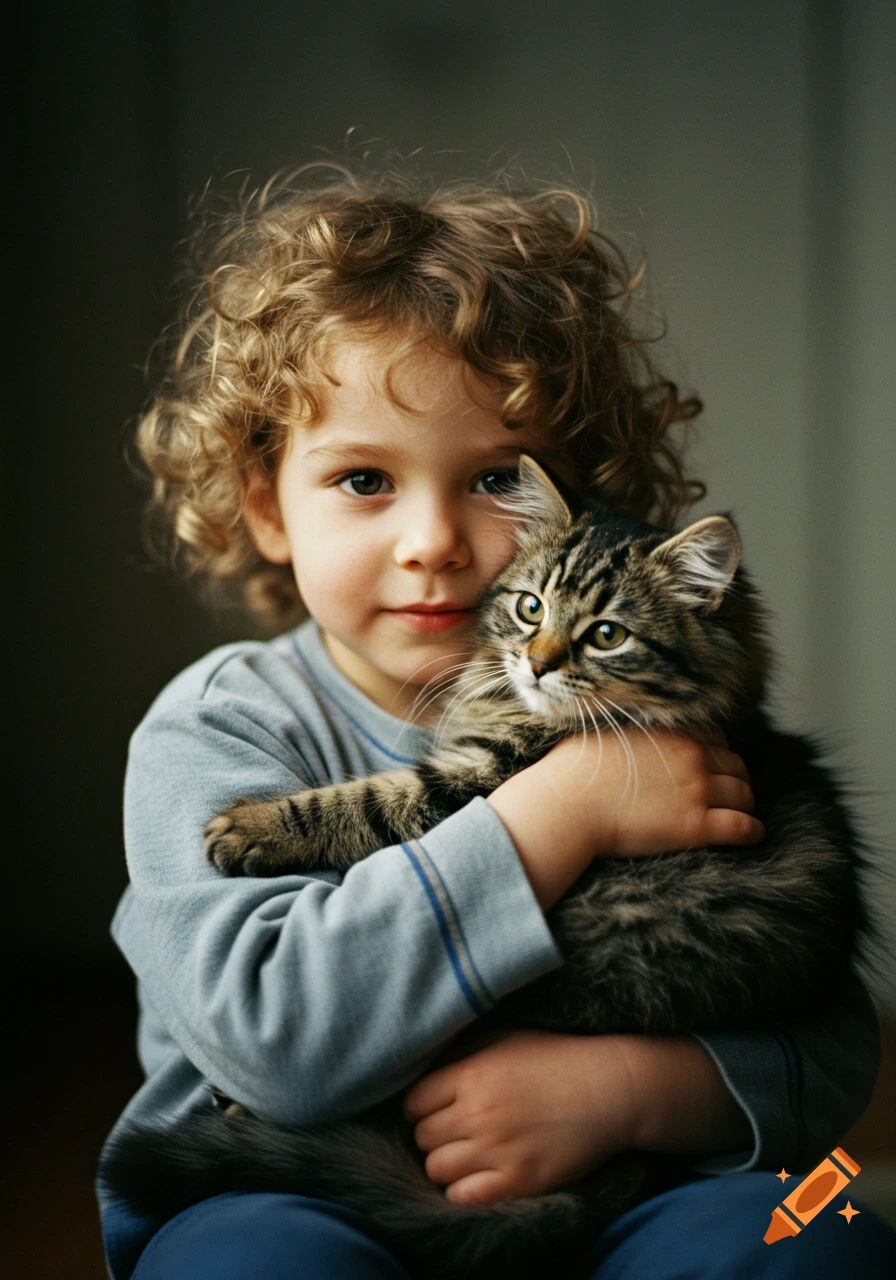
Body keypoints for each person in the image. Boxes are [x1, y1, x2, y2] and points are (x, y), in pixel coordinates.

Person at [98, 169, 895, 1279]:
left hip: (639, 1183)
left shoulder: (645, 719)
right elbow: (271, 1042)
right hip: (287, 1177)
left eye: (491, 480)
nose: (432, 539)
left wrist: (625, 1092)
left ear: (565, 507)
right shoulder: (218, 727)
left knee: (833, 1229)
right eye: (365, 477)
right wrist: (555, 813)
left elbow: (836, 1040)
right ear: (268, 503)